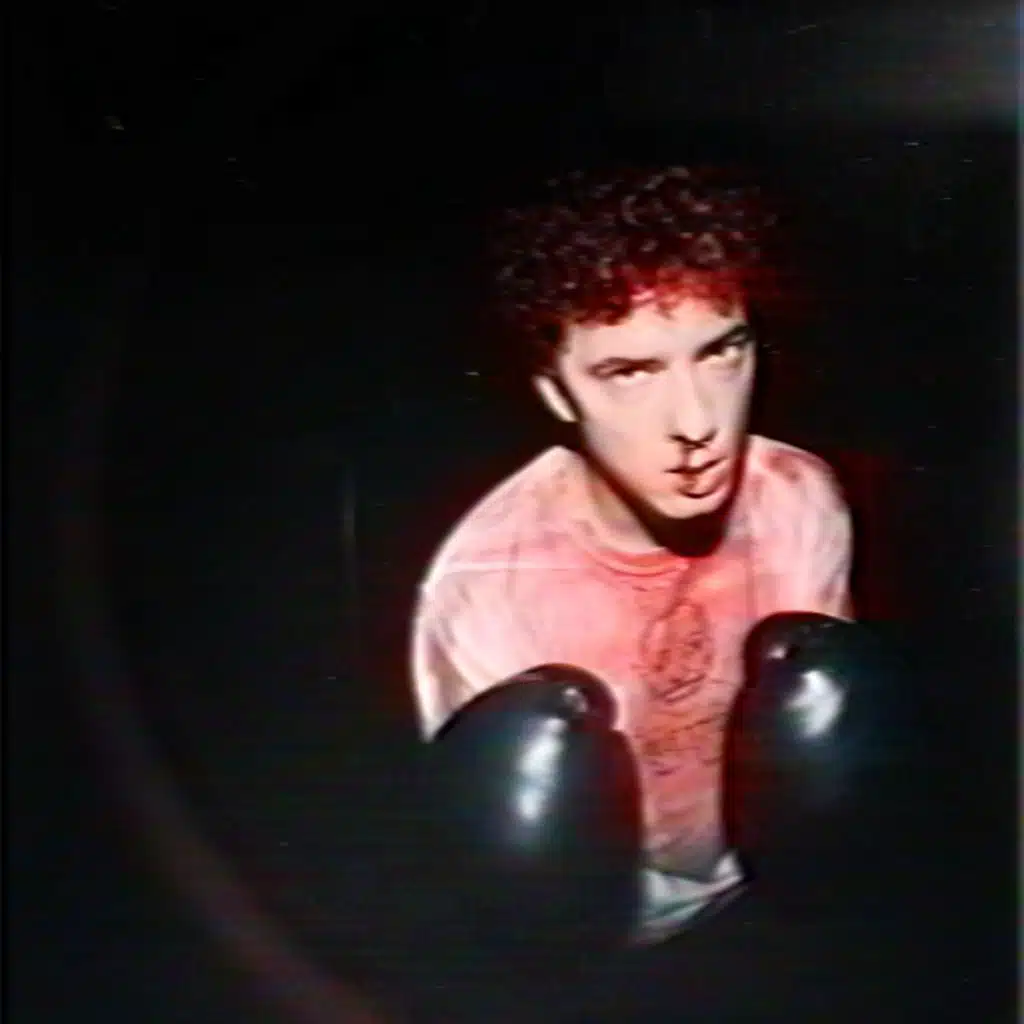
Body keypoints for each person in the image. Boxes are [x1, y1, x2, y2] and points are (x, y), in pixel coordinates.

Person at [408, 164, 854, 946]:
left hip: (784, 898)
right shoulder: (485, 588)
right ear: (556, 391)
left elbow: (825, 772)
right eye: (630, 373)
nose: (696, 421)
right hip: (616, 938)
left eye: (720, 353)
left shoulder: (796, 495)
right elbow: (510, 875)